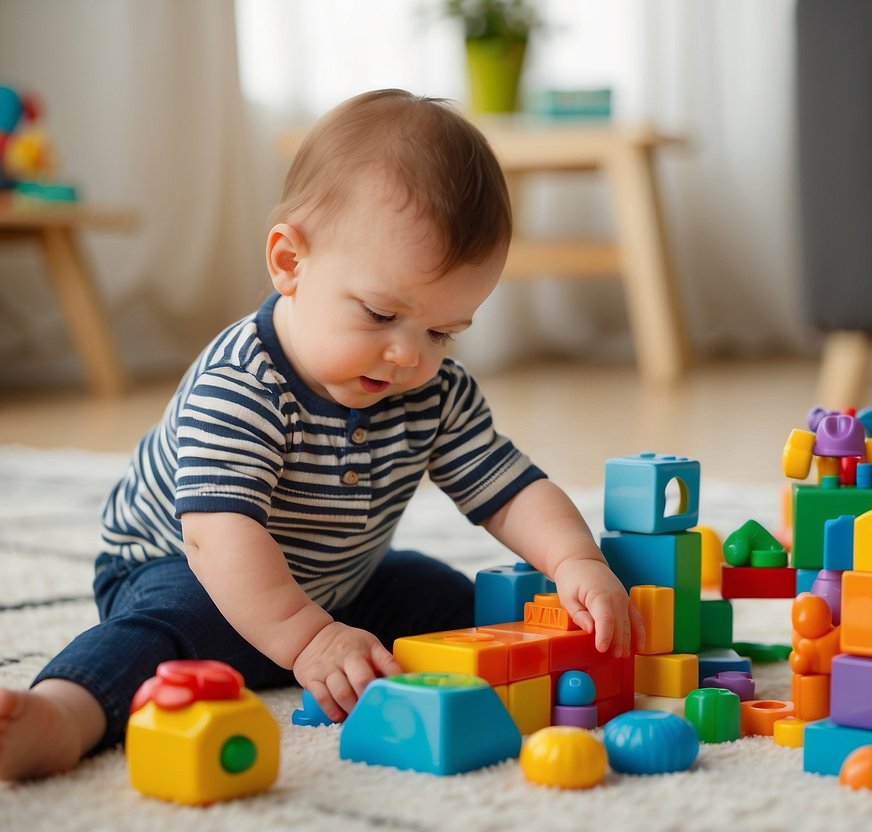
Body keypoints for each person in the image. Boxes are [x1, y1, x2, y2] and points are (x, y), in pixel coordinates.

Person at [0, 89, 643, 781]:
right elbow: (218, 535)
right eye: (378, 314)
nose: (409, 356)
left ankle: (536, 662)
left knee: (441, 596)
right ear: (289, 262)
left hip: (336, 582)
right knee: (165, 634)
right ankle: (60, 714)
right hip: (191, 570)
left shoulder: (432, 389)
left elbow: (510, 490)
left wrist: (576, 563)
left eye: (442, 331)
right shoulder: (241, 384)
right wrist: (309, 639)